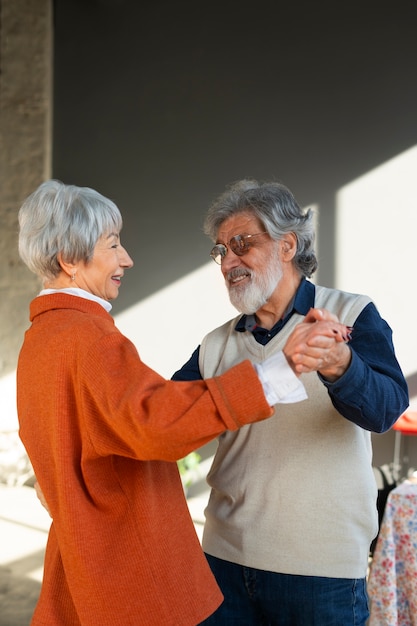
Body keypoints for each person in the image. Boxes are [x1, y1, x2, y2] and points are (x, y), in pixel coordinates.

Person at [16, 180, 350, 626]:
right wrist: (279, 369)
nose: (126, 258)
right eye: (113, 244)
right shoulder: (88, 338)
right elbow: (157, 421)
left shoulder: (39, 340)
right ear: (69, 261)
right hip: (126, 572)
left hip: (85, 559)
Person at [172, 178, 409, 626]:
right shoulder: (215, 345)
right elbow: (169, 419)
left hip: (322, 574)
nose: (229, 261)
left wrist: (342, 364)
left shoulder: (353, 314)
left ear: (287, 245)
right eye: (221, 250)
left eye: (242, 243)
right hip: (224, 564)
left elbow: (385, 409)